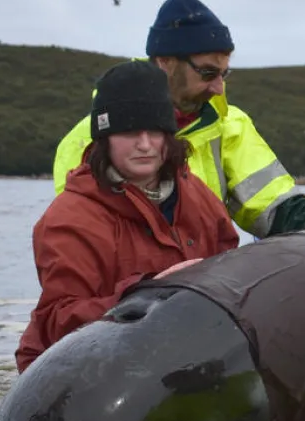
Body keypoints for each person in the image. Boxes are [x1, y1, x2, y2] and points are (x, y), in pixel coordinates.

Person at [52, 0, 305, 238]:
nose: (219, 87)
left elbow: (273, 206)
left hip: (206, 291)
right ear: (165, 62)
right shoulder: (87, 141)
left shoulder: (231, 126)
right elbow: (83, 242)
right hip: (129, 298)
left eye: (224, 73)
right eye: (208, 73)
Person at [17, 60, 240, 371]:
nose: (145, 145)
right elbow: (58, 323)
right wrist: (147, 295)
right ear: (104, 139)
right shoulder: (68, 218)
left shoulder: (198, 196)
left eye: (155, 131)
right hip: (76, 376)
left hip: (175, 362)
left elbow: (233, 275)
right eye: (130, 132)